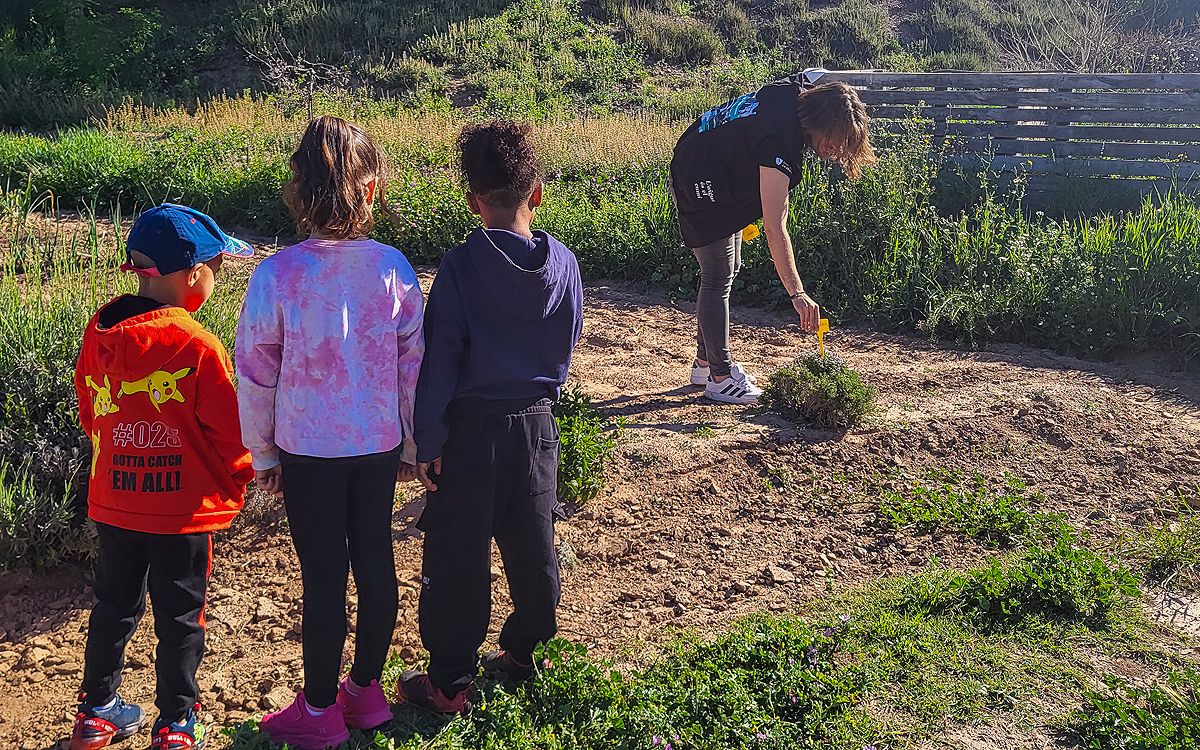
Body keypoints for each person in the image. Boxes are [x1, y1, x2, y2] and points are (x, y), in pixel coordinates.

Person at [236, 116, 425, 749]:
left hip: (306, 449)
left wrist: (261, 452)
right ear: (372, 189)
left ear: (297, 191)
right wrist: (413, 443)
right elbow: (412, 366)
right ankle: (365, 693)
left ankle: (318, 711)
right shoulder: (394, 268)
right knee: (375, 561)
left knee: (322, 577)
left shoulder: (276, 275)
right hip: (375, 444)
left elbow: (256, 371)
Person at [398, 120, 583, 714]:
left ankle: (450, 681)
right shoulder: (566, 266)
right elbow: (567, 345)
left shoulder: (459, 267)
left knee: (457, 555)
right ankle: (528, 651)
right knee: (533, 542)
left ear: (472, 199)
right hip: (537, 425)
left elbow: (441, 358)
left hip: (470, 432)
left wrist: (428, 440)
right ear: (538, 192)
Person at [70, 203, 255, 750]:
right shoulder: (198, 347)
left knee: (112, 606)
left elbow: (90, 411)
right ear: (194, 273)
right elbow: (231, 434)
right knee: (180, 617)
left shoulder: (99, 332)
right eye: (217, 268)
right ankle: (175, 723)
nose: (216, 279)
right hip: (181, 512)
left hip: (116, 502)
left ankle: (97, 713)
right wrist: (245, 475)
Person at [670, 80, 875, 404]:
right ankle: (720, 378)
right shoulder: (780, 142)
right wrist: (798, 293)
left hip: (703, 157)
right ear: (820, 122)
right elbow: (775, 226)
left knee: (728, 267)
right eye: (836, 139)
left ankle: (704, 364)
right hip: (699, 176)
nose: (836, 149)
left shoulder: (792, 98)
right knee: (717, 275)